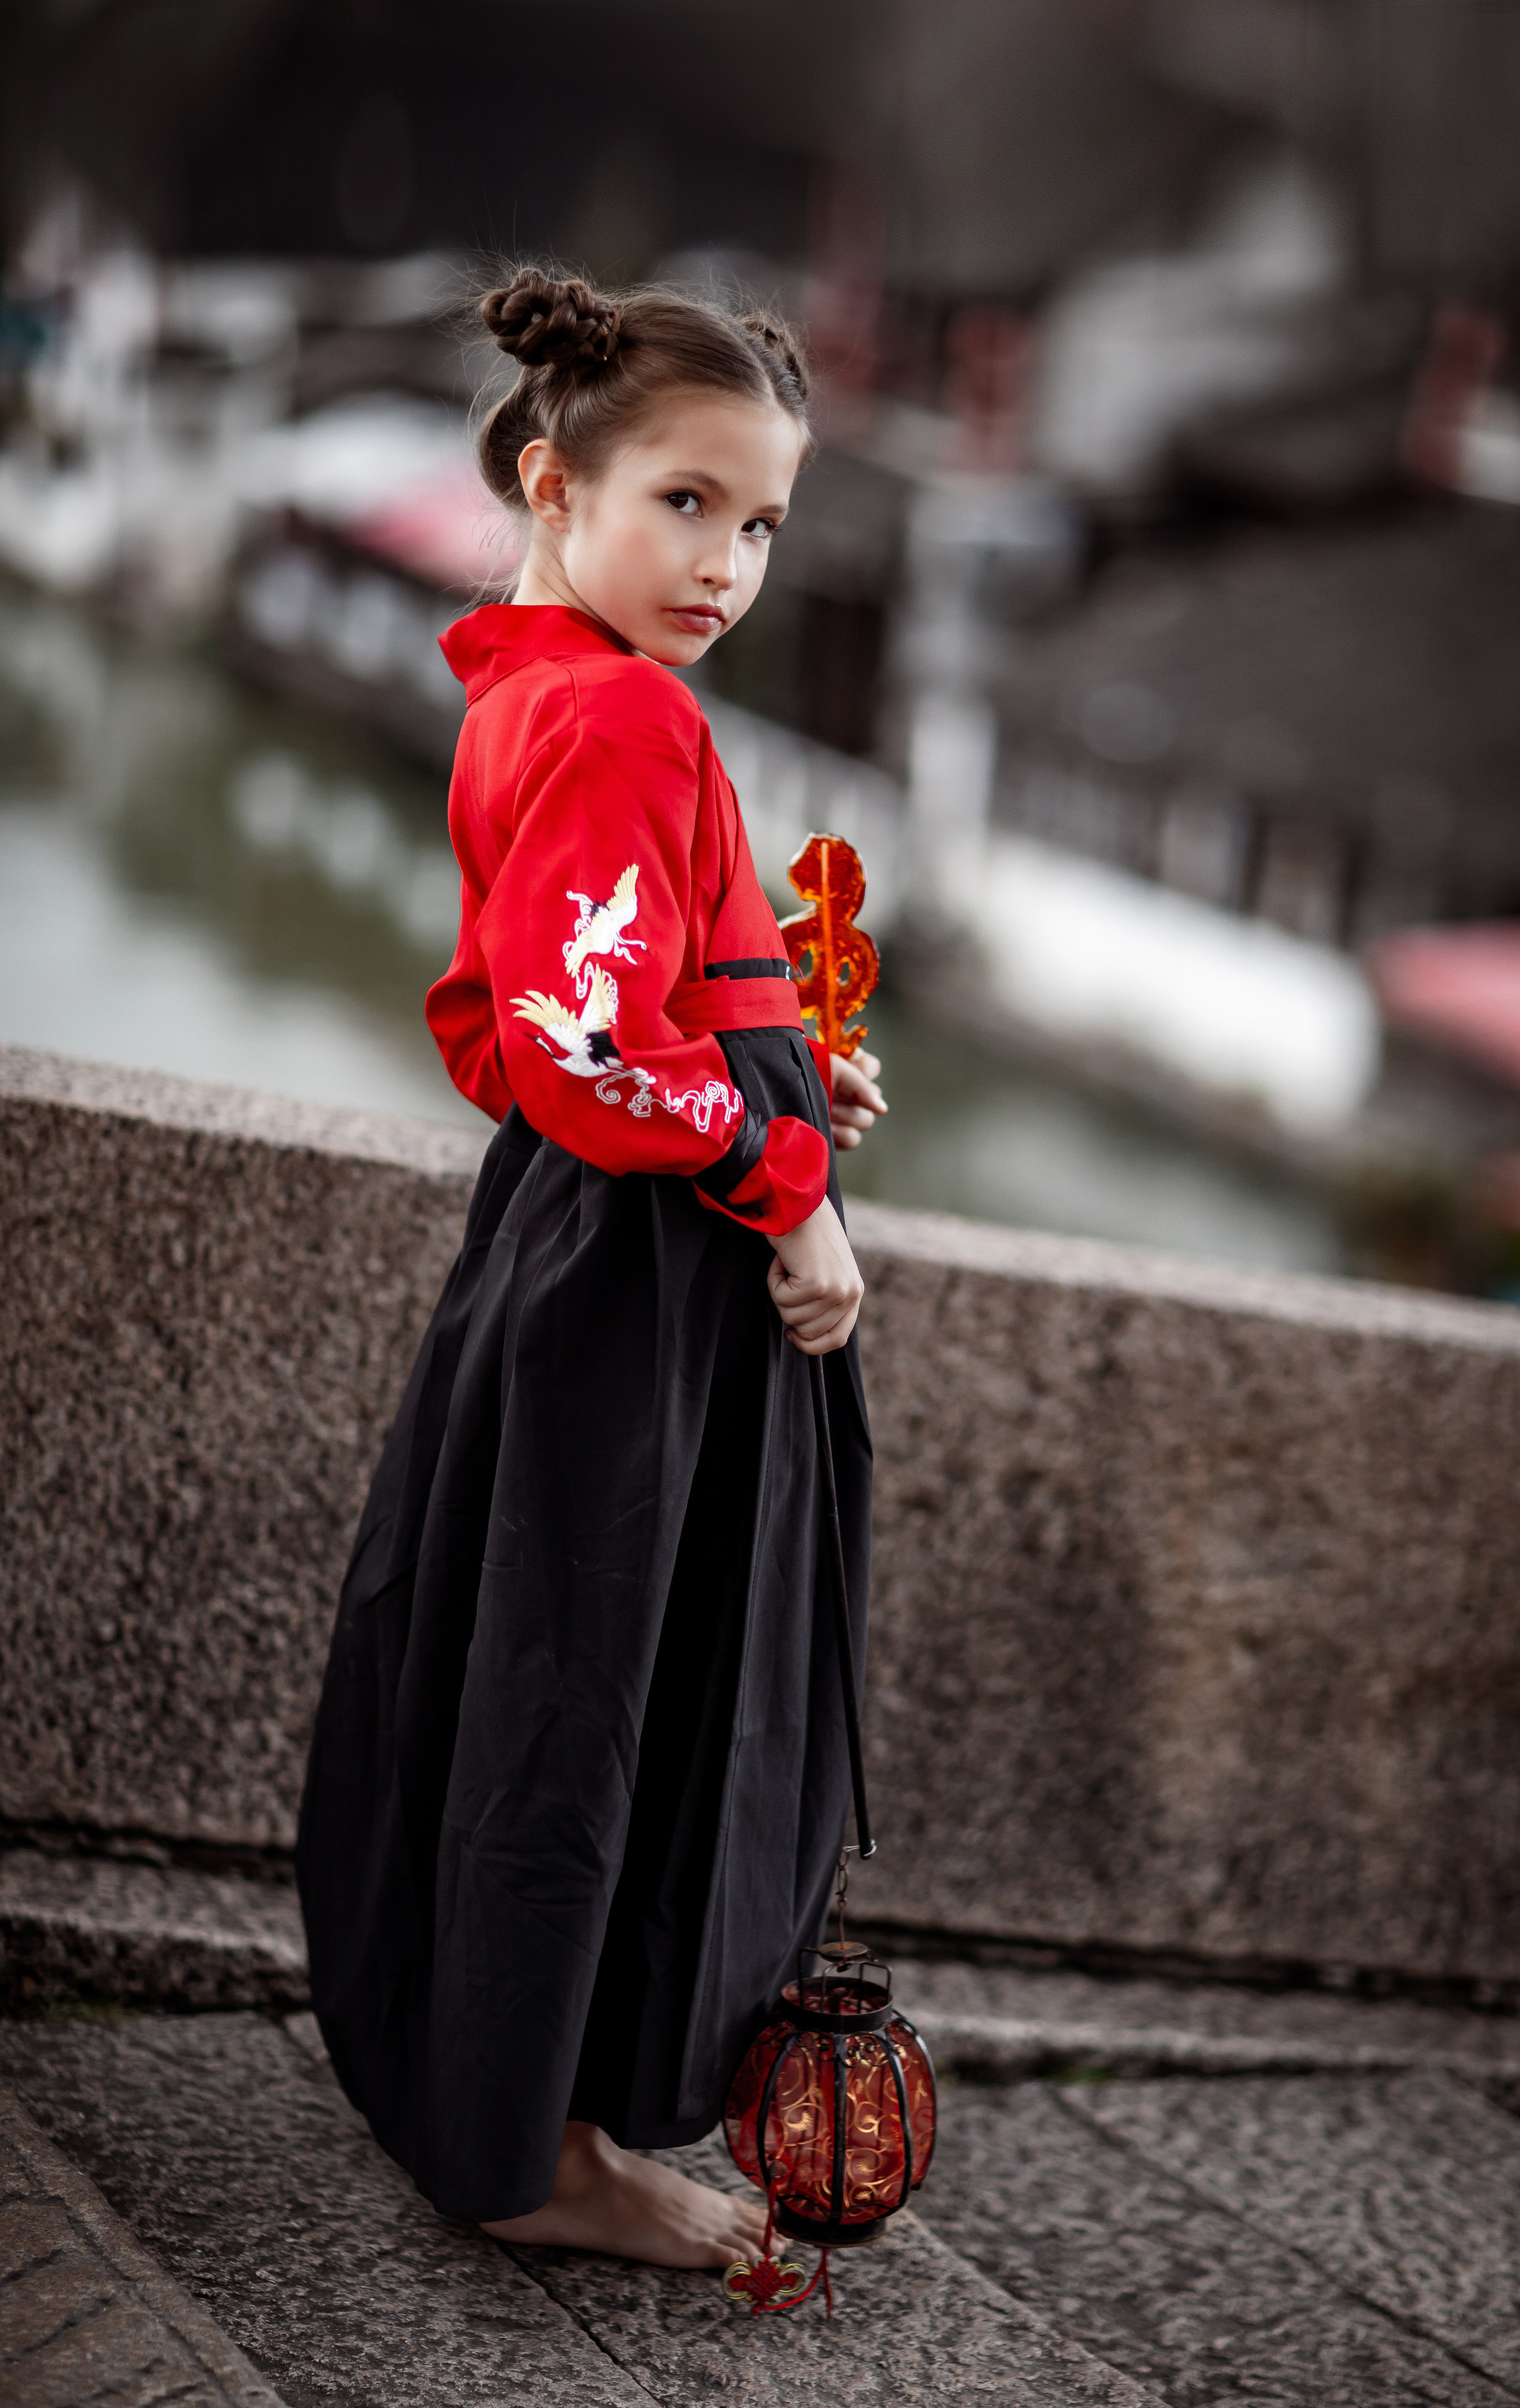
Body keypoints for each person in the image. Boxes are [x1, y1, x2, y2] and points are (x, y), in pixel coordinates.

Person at [296, 268, 887, 2273]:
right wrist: (778, 1165)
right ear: (558, 487)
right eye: (687, 506)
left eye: (765, 525)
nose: (728, 563)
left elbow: (550, 1002)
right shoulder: (624, 710)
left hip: (598, 1247)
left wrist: (782, 1050)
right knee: (592, 1693)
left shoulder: (536, 685)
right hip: (647, 1275)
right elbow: (565, 1041)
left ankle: (509, 2096)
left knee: (558, 1670)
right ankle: (544, 2150)